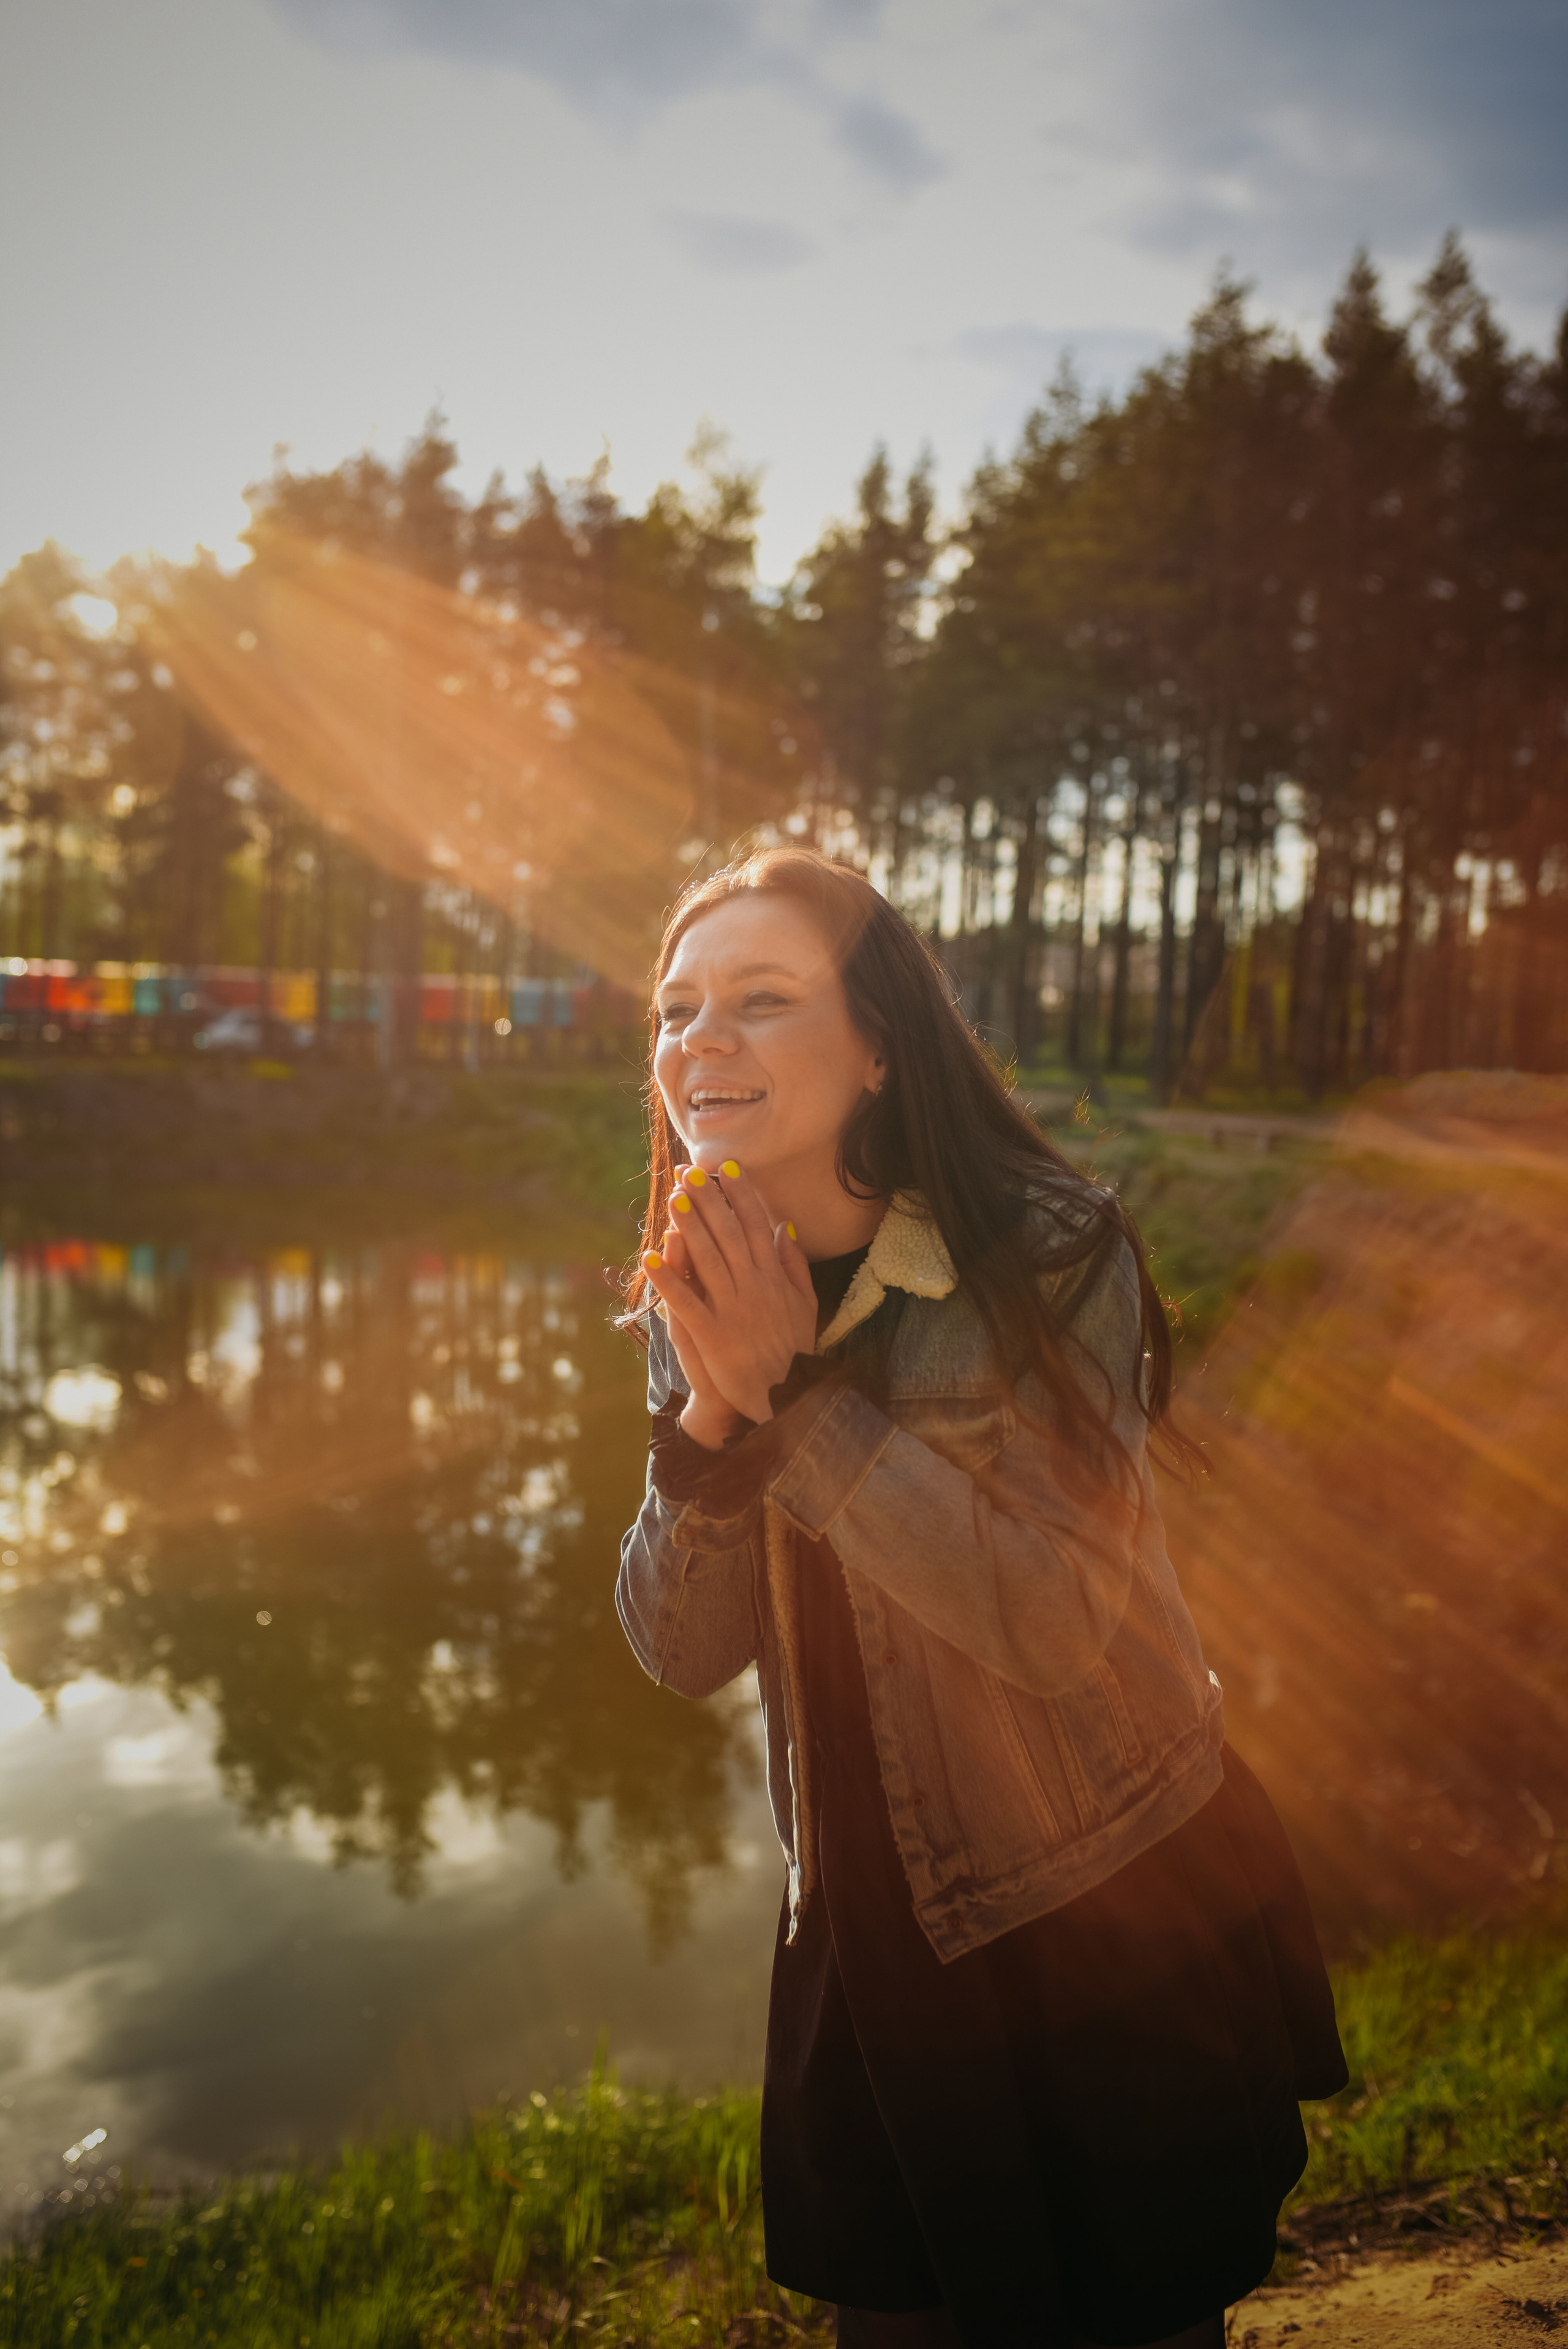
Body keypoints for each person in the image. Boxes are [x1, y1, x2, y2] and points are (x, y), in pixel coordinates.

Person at [616, 847, 1346, 2349]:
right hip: (868, 1932)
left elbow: (1051, 1620)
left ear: (877, 1044)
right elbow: (679, 1651)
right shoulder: (700, 1274)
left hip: (1105, 1898)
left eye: (760, 1000)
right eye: (678, 1009)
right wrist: (713, 1409)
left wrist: (799, 1410)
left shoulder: (1047, 1250)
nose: (702, 1040)